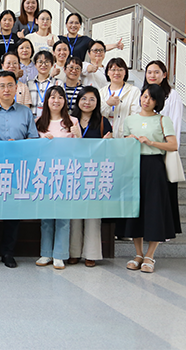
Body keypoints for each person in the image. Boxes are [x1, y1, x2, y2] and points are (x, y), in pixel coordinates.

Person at [0, 70, 39, 268]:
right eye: (2, 86)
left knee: (13, 213)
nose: (6, 89)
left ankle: (8, 252)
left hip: (16, 169)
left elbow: (34, 140)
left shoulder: (25, 112)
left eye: (10, 85)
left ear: (17, 88)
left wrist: (19, 145)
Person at [123, 84, 178, 273]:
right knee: (135, 210)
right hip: (133, 165)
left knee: (155, 209)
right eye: (145, 96)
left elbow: (173, 145)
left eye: (151, 98)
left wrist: (151, 142)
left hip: (154, 166)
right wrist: (127, 140)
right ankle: (138, 254)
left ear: (158, 102)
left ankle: (150, 255)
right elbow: (124, 143)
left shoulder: (163, 120)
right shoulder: (130, 119)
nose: (146, 100)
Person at [35, 86, 82, 269]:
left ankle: (60, 255)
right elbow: (32, 148)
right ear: (46, 100)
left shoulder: (73, 121)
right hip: (44, 175)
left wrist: (78, 135)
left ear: (65, 101)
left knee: (63, 216)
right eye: (52, 97)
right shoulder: (39, 122)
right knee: (46, 217)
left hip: (66, 174)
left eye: (60, 97)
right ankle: (46, 253)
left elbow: (80, 149)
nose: (56, 100)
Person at [69, 86, 112, 267]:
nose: (87, 102)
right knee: (74, 215)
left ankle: (91, 254)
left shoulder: (103, 122)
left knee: (93, 216)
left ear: (97, 102)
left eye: (92, 99)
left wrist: (106, 143)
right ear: (78, 101)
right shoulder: (70, 121)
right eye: (84, 98)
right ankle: (73, 252)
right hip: (73, 172)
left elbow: (107, 150)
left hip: (95, 173)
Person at [144, 60, 183, 235]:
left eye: (156, 72)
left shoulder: (172, 95)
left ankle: (166, 230)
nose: (152, 75)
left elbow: (175, 124)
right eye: (149, 72)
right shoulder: (144, 94)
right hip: (147, 151)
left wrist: (170, 147)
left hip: (164, 149)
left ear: (164, 75)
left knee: (166, 192)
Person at [99, 58, 141, 138]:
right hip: (104, 134)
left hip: (125, 135)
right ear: (107, 72)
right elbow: (97, 116)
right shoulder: (101, 92)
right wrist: (108, 104)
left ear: (125, 72)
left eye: (120, 70)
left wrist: (129, 134)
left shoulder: (134, 91)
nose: (116, 73)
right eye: (113, 70)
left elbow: (135, 115)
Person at [58, 12, 123, 61]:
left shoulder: (84, 40)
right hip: (61, 70)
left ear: (80, 25)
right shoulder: (59, 39)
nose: (73, 25)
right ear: (66, 24)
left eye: (76, 23)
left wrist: (115, 45)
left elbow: (99, 48)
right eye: (71, 22)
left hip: (77, 71)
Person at [28, 50, 62, 117]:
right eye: (40, 62)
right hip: (32, 119)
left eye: (47, 62)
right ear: (35, 65)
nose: (43, 65)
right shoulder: (29, 84)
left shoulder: (58, 83)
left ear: (52, 64)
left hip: (50, 119)